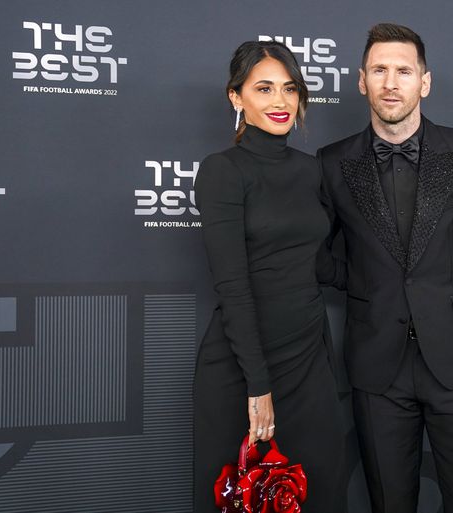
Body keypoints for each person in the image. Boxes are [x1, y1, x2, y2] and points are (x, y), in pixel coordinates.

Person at [317, 23, 453, 513]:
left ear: (424, 82)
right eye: (379, 70)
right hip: (377, 366)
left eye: (404, 71)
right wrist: (362, 282)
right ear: (361, 80)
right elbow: (313, 253)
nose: (391, 83)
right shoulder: (332, 162)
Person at [193, 40, 345, 513]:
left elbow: (317, 262)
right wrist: (258, 387)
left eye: (290, 88)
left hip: (309, 361)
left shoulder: (311, 170)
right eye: (264, 88)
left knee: (321, 493)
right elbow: (232, 286)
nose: (281, 101)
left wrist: (397, 277)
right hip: (245, 368)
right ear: (236, 97)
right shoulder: (222, 171)